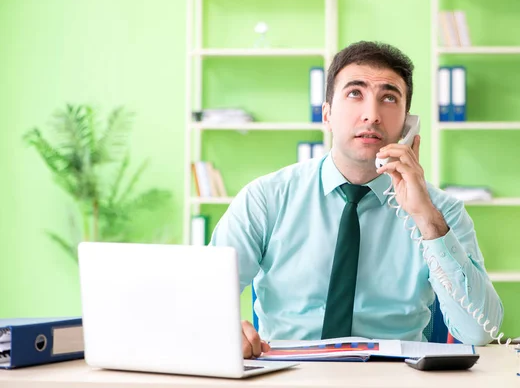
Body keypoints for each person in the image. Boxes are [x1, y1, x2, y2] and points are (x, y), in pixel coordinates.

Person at [209, 41, 503, 359]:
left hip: (393, 377)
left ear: (407, 123)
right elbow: (202, 299)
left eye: (389, 98)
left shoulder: (441, 211)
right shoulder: (266, 199)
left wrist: (425, 216)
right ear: (327, 113)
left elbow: (479, 332)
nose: (372, 115)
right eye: (354, 93)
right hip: (290, 373)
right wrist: (221, 327)